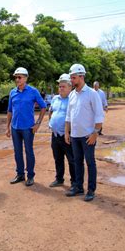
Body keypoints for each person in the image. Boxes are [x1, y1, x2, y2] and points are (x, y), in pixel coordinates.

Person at [65, 64, 105, 202]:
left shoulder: (92, 94)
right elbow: (69, 116)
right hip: (75, 136)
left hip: (88, 136)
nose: (72, 80)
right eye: (71, 77)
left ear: (81, 77)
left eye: (74, 77)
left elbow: (99, 115)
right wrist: (67, 132)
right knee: (77, 162)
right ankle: (78, 187)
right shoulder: (71, 95)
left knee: (90, 162)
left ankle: (91, 190)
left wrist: (95, 133)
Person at [6, 67, 47, 186]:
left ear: (25, 78)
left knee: (29, 151)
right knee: (17, 152)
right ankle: (20, 174)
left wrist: (38, 123)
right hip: (15, 127)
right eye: (16, 77)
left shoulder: (33, 91)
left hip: (28, 128)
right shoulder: (12, 92)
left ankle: (30, 176)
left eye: (19, 77)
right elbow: (9, 110)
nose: (17, 79)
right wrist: (7, 127)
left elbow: (43, 107)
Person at [48, 73, 75, 188]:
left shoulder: (73, 99)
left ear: (70, 87)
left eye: (63, 86)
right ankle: (59, 179)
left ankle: (75, 182)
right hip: (55, 135)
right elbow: (50, 111)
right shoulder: (55, 98)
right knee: (57, 158)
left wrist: (68, 132)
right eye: (59, 86)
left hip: (67, 135)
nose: (60, 88)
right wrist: (52, 123)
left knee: (71, 159)